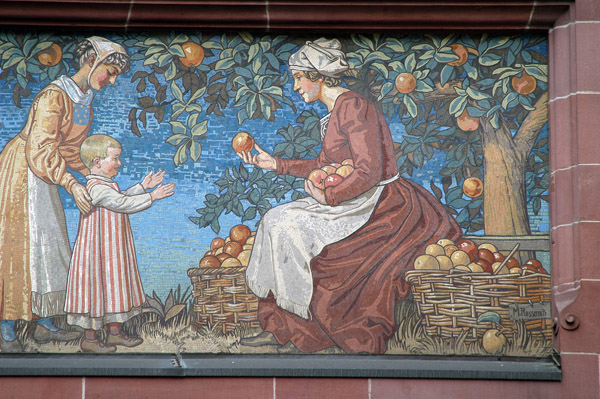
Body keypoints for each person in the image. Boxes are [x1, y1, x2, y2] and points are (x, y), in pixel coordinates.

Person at [237, 38, 461, 354]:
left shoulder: (354, 107)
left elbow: (368, 171)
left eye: (299, 78)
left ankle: (294, 327)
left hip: (381, 203)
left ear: (318, 76)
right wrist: (277, 164)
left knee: (284, 224)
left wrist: (329, 196)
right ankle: (281, 326)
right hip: (351, 197)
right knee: (275, 220)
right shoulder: (335, 110)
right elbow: (325, 165)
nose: (296, 86)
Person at [0, 36, 130, 352]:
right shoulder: (53, 97)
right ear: (91, 62)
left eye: (115, 76)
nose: (111, 81)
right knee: (20, 249)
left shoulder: (83, 99)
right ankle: (6, 331)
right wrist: (72, 184)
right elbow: (41, 147)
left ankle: (43, 324)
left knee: (50, 245)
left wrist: (92, 177)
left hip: (48, 173)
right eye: (109, 72)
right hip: (25, 172)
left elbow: (72, 150)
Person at [64, 135, 175, 353]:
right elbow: (121, 202)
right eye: (115, 158)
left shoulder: (105, 184)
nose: (119, 163)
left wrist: (142, 186)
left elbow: (120, 195)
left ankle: (115, 334)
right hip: (97, 252)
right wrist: (152, 196)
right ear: (97, 162)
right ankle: (90, 340)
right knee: (96, 290)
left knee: (113, 286)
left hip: (110, 248)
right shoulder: (96, 188)